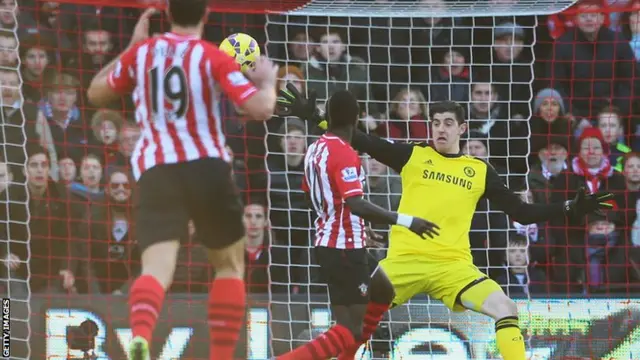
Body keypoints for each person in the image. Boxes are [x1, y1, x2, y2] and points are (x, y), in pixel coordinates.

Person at [277, 85, 613, 360]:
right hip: (403, 263)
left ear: (462, 128)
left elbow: (520, 213)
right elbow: (359, 139)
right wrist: (313, 115)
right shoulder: (412, 155)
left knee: (505, 307)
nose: (440, 128)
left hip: (455, 268)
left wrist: (568, 207)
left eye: (448, 122)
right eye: (436, 121)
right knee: (358, 326)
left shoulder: (480, 170)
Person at [86, 1, 279, 359]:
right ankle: (221, 355)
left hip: (158, 169)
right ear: (206, 14)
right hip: (206, 166)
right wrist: (267, 83)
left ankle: (141, 335)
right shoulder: (212, 57)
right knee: (229, 267)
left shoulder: (142, 54)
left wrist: (130, 47)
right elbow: (260, 108)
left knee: (156, 269)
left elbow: (96, 93)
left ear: (168, 13)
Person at [277, 90, 439, 360]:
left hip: (334, 241)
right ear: (358, 117)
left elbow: (310, 195)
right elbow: (356, 204)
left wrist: (357, 225)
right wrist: (408, 221)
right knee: (349, 329)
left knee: (383, 290)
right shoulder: (345, 153)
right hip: (343, 249)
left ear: (328, 116)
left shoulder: (315, 148)